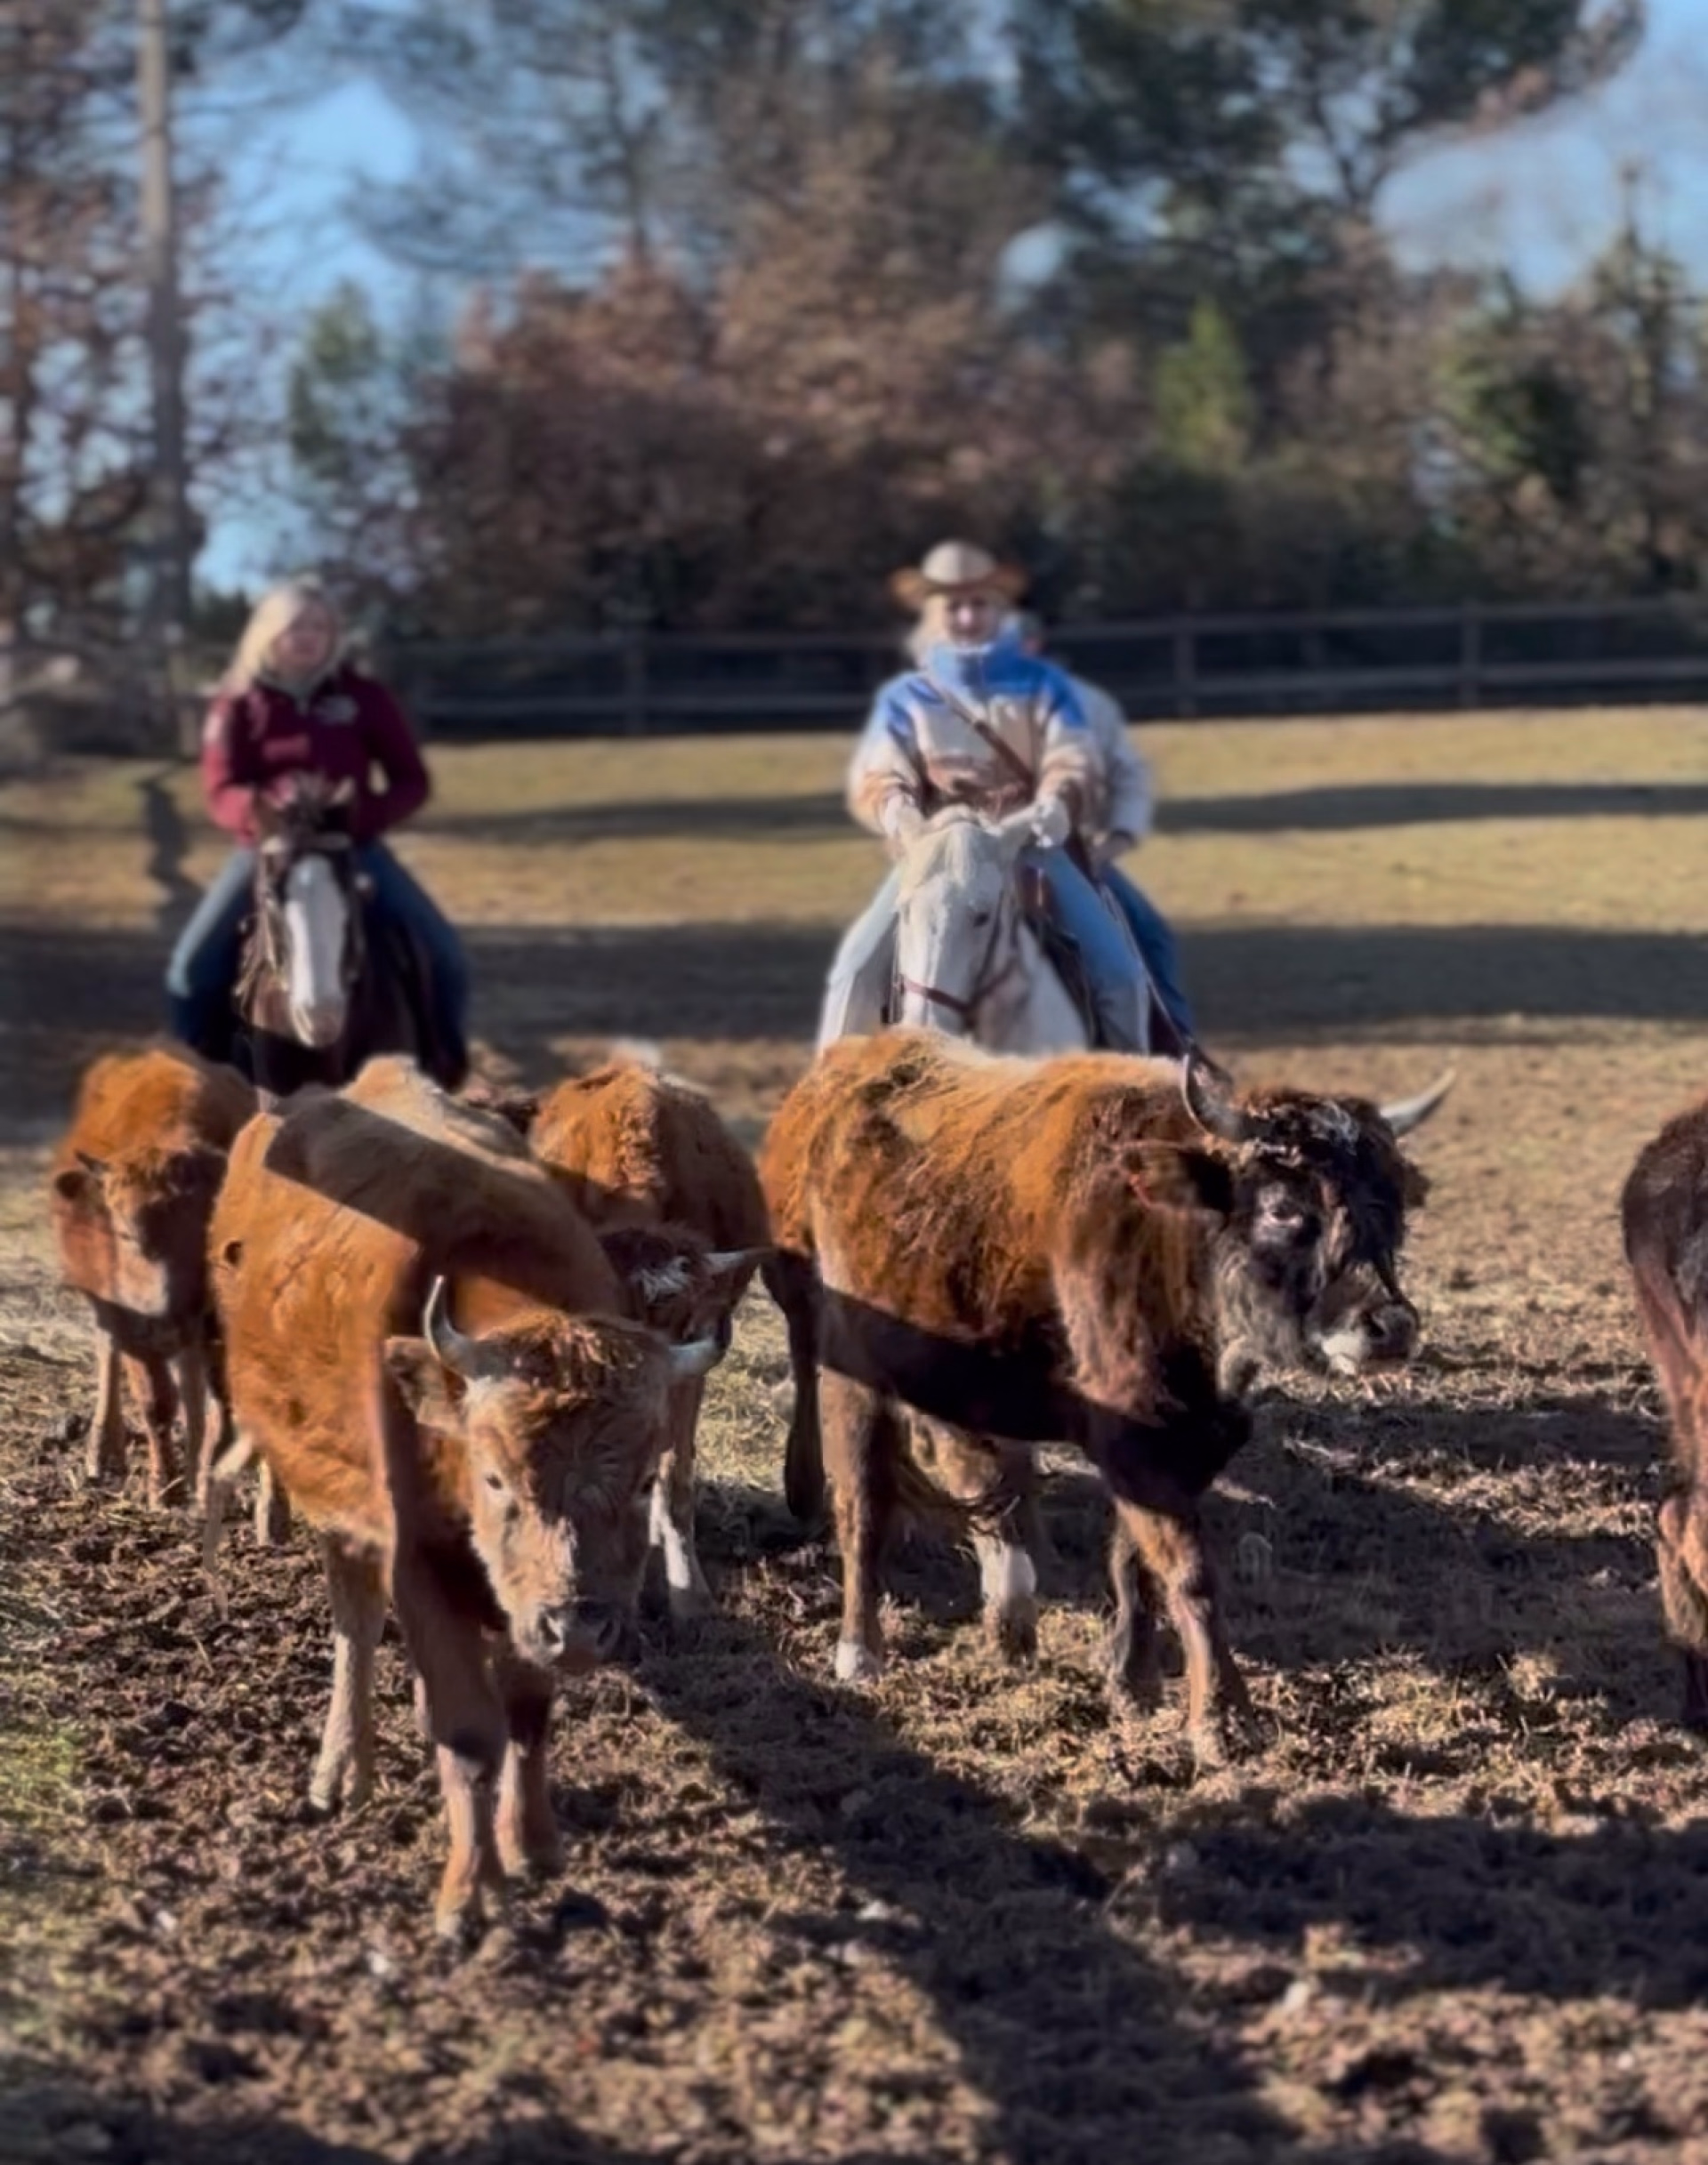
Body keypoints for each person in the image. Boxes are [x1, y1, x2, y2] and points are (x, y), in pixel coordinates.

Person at [819, 539, 1148, 1052]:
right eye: (954, 605)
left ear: (998, 610)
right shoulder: (905, 697)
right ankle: (831, 1092)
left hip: (1029, 844)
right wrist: (900, 814)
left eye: (979, 604)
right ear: (933, 613)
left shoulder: (1044, 685)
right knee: (855, 972)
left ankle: (1133, 1093)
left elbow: (1073, 754)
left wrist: (1056, 802)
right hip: (933, 852)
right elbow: (881, 769)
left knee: (1120, 978)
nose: (968, 617)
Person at [165, 576, 470, 1082]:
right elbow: (220, 787)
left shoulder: (365, 697)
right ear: (268, 634)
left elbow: (411, 780)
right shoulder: (237, 703)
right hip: (267, 850)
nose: (308, 637)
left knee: (444, 952)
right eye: (295, 627)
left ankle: (446, 1064)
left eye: (320, 627)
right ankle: (194, 1083)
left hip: (351, 846)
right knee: (191, 966)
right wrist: (262, 811)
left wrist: (360, 815)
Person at [1006, 609, 1196, 1043]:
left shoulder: (1086, 702)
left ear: (1035, 645)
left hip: (1067, 851)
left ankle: (1176, 1052)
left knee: (1150, 938)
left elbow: (1128, 772)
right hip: (969, 852)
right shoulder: (948, 701)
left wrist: (1115, 840)